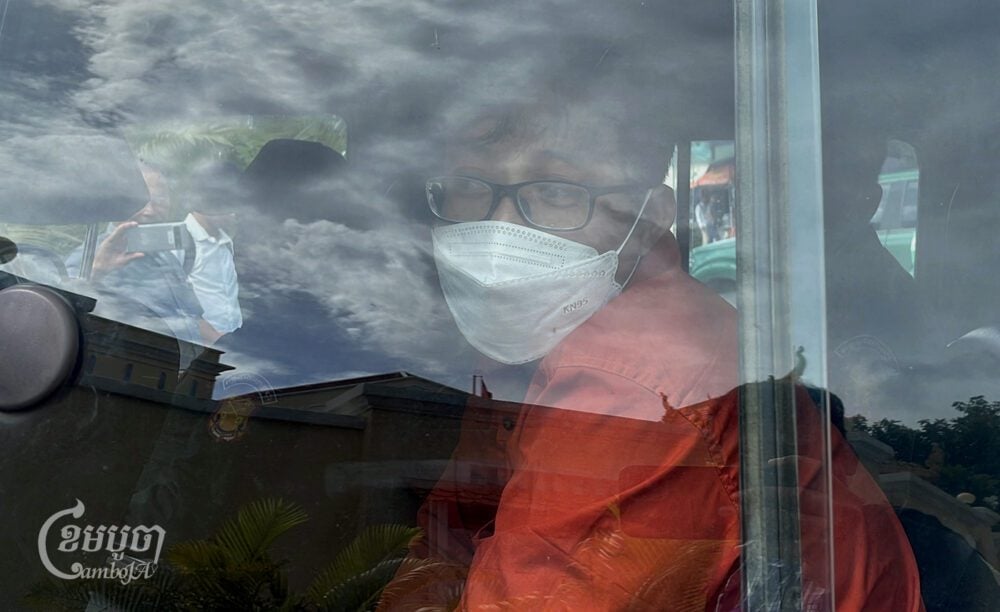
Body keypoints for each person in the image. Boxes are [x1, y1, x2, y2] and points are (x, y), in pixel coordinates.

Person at [377, 78, 923, 610]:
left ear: (649, 217)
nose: (500, 228)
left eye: (556, 194)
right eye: (471, 188)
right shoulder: (533, 332)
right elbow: (452, 528)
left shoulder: (636, 374)